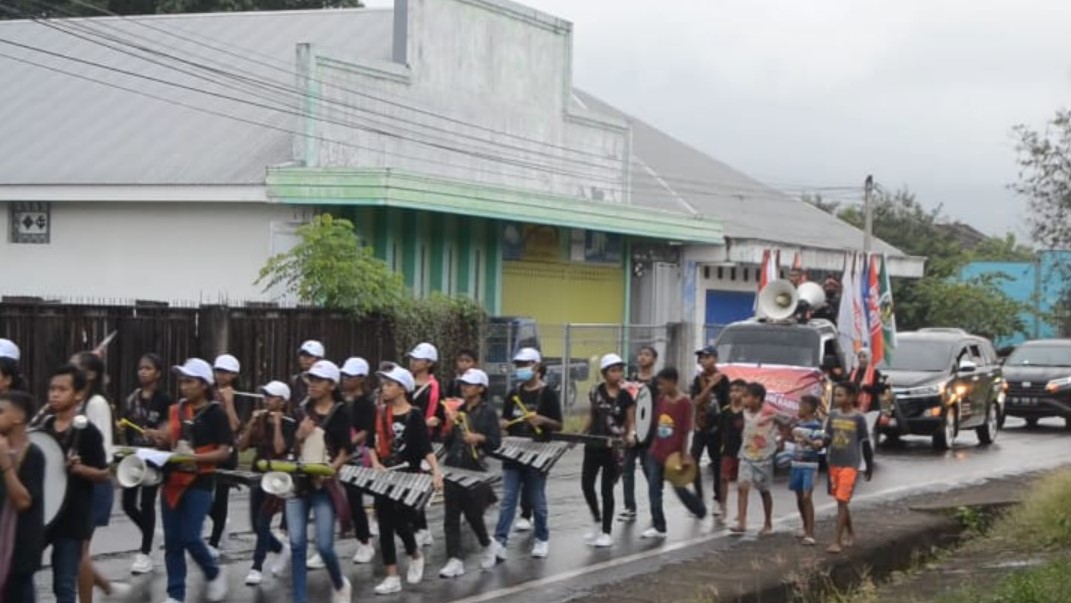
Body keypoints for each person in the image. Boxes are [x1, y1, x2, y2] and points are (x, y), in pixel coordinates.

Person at [142, 358, 231, 603]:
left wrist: (195, 457)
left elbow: (225, 451)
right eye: (181, 381)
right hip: (172, 479)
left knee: (191, 536)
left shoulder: (215, 413)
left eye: (189, 381)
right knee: (172, 542)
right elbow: (170, 440)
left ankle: (213, 572)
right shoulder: (176, 409)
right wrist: (158, 438)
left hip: (200, 480)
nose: (183, 386)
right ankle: (175, 594)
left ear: (204, 384)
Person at [368, 364, 444, 595]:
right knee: (384, 524)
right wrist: (375, 463)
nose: (385, 388)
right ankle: (392, 576)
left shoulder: (414, 415)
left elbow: (425, 447)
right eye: (384, 384)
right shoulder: (380, 412)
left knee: (401, 521)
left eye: (390, 384)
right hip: (384, 475)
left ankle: (414, 554)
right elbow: (371, 444)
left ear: (402, 388)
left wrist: (436, 471)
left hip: (408, 476)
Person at [285, 360, 353, 603]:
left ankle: (339, 582)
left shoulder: (341, 412)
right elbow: (289, 448)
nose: (312, 384)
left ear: (331, 385)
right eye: (310, 380)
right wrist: (299, 435)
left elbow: (347, 449)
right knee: (297, 544)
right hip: (298, 483)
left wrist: (332, 469)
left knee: (324, 545)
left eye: (318, 380)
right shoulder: (301, 409)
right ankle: (299, 599)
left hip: (325, 486)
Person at [42, 365, 110, 603]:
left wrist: (80, 469)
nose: (55, 394)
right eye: (52, 389)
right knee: (18, 568)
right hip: (44, 515)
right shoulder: (45, 428)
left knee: (64, 583)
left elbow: (104, 473)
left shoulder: (88, 432)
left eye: (62, 389)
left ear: (79, 394)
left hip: (72, 519)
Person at [69, 351, 128, 603]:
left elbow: (100, 448)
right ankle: (108, 589)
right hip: (81, 480)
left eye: (75, 367)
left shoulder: (96, 404)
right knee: (74, 549)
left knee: (78, 551)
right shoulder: (82, 401)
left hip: (93, 480)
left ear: (90, 374)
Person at [493, 348, 562, 560]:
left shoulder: (548, 393)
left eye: (525, 364)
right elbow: (504, 421)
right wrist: (503, 425)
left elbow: (559, 424)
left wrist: (542, 420)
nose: (521, 369)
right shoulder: (513, 394)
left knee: (537, 499)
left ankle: (542, 538)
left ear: (537, 366)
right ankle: (500, 542)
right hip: (513, 452)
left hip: (537, 453)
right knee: (508, 499)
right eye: (518, 365)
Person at [438, 368, 501, 578]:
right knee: (451, 516)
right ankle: (454, 559)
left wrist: (479, 438)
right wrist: (449, 425)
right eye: (463, 383)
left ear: (481, 388)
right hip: (454, 466)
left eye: (470, 384)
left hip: (475, 470)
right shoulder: (458, 410)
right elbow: (448, 442)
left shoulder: (488, 412)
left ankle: (487, 543)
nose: (464, 387)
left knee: (473, 514)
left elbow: (495, 442)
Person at [237, 380, 295, 586]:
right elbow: (242, 447)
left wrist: (278, 423)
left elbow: (280, 449)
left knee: (263, 522)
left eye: (271, 396)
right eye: (266, 396)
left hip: (277, 478)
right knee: (255, 524)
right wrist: (251, 424)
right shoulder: (259, 420)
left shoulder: (289, 422)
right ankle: (281, 549)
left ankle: (256, 566)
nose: (266, 399)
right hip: (258, 474)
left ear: (283, 400)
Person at [120, 353, 174, 575]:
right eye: (141, 368)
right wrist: (121, 430)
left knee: (148, 502)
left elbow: (170, 431)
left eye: (148, 368)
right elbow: (125, 424)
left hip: (154, 457)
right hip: (135, 456)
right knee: (127, 503)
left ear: (158, 373)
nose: (143, 372)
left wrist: (159, 434)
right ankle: (150, 534)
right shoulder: (132, 398)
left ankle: (145, 553)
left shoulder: (165, 400)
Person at [642, 367, 707, 539]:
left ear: (673, 382)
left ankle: (699, 509)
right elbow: (655, 424)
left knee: (680, 489)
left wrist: (684, 455)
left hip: (673, 456)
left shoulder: (685, 404)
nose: (660, 387)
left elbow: (686, 431)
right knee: (654, 489)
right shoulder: (661, 399)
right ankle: (659, 526)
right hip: (656, 452)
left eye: (663, 384)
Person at [580, 354, 634, 547]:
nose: (617, 373)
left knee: (606, 490)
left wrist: (630, 436)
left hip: (613, 450)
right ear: (604, 373)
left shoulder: (626, 396)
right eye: (613, 370)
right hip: (594, 445)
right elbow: (591, 416)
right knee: (586, 485)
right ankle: (596, 518)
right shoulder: (596, 392)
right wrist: (581, 433)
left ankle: (606, 531)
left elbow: (630, 421)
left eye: (620, 369)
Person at [0, 390, 45, 603]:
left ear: (19, 418)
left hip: (20, 549)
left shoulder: (33, 454)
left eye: (1, 412)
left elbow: (23, 501)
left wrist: (6, 463)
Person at [825, 381, 875, 554]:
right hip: (834, 463)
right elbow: (828, 438)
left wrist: (869, 465)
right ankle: (851, 532)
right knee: (841, 501)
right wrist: (816, 444)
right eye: (836, 395)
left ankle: (836, 540)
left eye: (840, 395)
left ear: (851, 397)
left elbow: (865, 442)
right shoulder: (832, 415)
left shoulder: (858, 418)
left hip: (850, 464)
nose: (837, 398)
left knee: (842, 501)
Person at [732, 382, 786, 536]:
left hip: (763, 458)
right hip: (746, 455)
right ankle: (741, 522)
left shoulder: (768, 411)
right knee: (742, 487)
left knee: (764, 491)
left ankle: (768, 522)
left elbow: (787, 420)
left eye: (746, 396)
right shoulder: (743, 412)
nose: (743, 400)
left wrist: (781, 438)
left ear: (757, 398)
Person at [340, 356, 377, 565]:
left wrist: (348, 444)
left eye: (350, 376)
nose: (345, 379)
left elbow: (365, 431)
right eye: (344, 375)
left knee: (355, 499)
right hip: (340, 454)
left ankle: (364, 542)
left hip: (359, 456)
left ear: (361, 378)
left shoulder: (366, 404)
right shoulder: (341, 401)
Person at [407, 342, 444, 548]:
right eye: (412, 358)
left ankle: (421, 528)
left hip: (423, 442)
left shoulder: (436, 388)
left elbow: (440, 416)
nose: (412, 362)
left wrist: (434, 422)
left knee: (416, 486)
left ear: (429, 363)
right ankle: (418, 527)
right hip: (405, 440)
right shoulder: (406, 383)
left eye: (417, 359)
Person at [207, 354, 242, 559]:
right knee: (201, 494)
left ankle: (214, 540)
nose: (220, 375)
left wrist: (228, 403)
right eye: (218, 371)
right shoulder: (208, 393)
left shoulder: (238, 395)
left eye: (225, 372)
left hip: (226, 451)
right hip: (207, 449)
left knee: (221, 497)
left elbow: (235, 426)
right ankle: (219, 522)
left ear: (234, 375)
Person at [620, 345, 658, 522]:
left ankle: (655, 507)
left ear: (654, 359)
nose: (642, 357)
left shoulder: (657, 382)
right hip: (631, 431)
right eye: (640, 354)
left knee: (649, 469)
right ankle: (629, 507)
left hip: (649, 433)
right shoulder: (630, 380)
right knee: (627, 469)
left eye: (647, 355)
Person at [690, 345, 729, 515]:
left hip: (717, 429)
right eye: (701, 358)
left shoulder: (724, 379)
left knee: (717, 464)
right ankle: (698, 497)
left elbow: (727, 405)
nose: (703, 361)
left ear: (715, 358)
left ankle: (718, 500)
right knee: (693, 460)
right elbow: (696, 402)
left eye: (706, 357)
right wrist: (709, 386)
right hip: (701, 427)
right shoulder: (698, 380)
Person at [789, 395, 824, 546]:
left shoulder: (816, 426)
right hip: (796, 464)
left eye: (801, 406)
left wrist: (805, 438)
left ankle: (810, 533)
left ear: (809, 408)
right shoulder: (798, 423)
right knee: (799, 497)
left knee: (806, 497)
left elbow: (818, 445)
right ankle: (804, 526)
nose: (799, 409)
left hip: (810, 466)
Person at [718, 380, 748, 522]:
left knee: (742, 484)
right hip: (727, 451)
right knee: (724, 478)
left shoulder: (747, 412)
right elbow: (720, 431)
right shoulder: (725, 411)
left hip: (743, 452)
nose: (734, 394)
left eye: (738, 390)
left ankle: (741, 513)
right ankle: (723, 506)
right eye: (732, 390)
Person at [289, 340, 325, 409]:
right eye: (302, 355)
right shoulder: (294, 381)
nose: (304, 359)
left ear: (319, 359)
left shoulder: (326, 381)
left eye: (309, 356)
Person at [848, 349, 884, 413]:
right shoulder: (853, 372)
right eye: (859, 357)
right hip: (854, 406)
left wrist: (865, 387)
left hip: (871, 407)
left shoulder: (875, 373)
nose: (861, 359)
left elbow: (880, 389)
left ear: (869, 358)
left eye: (864, 357)